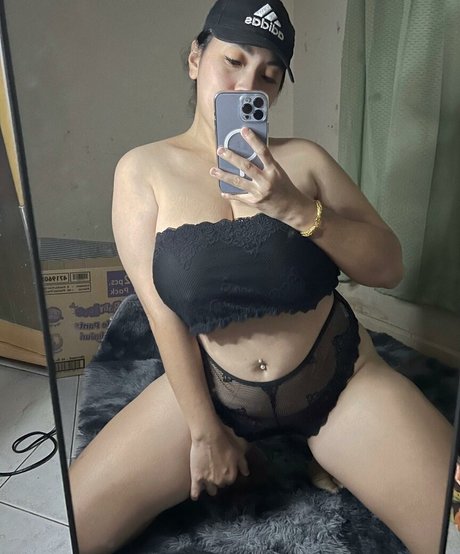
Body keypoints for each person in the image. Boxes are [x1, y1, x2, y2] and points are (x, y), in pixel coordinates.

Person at [69, 1, 454, 553]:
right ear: (195, 59)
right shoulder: (143, 171)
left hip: (339, 380)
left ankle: (321, 447)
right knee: (75, 526)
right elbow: (160, 310)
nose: (248, 84)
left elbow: (388, 266)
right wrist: (203, 429)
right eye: (234, 61)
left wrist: (295, 208)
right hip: (214, 390)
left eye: (269, 76)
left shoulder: (304, 161)